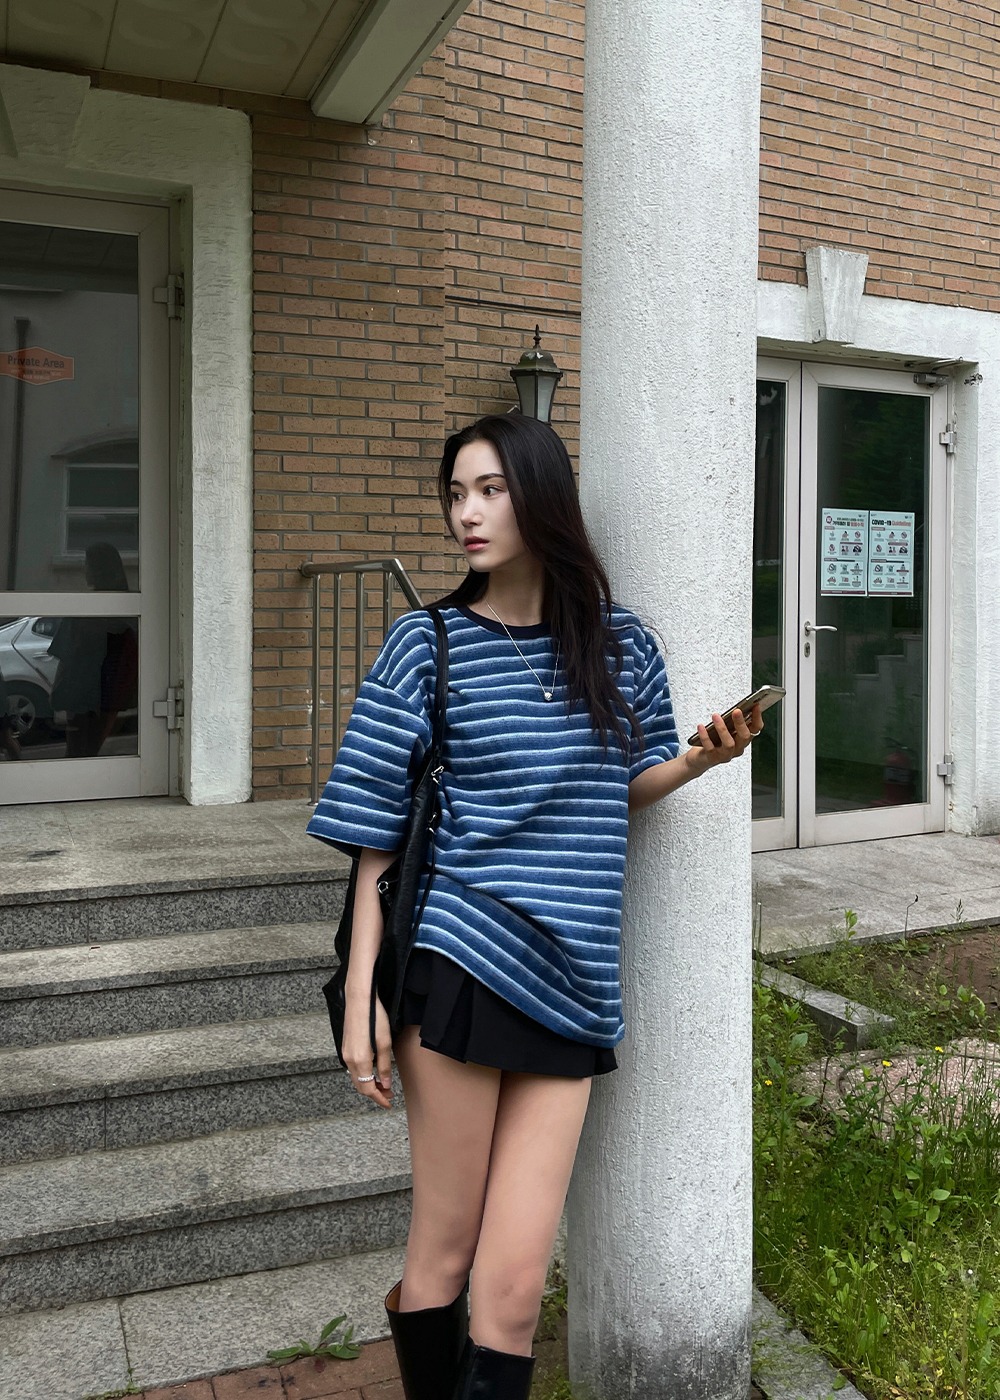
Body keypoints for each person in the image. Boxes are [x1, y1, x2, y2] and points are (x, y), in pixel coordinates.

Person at [306, 413, 761, 1400]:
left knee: (512, 1293)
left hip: (575, 978)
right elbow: (376, 833)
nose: (465, 514)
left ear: (541, 495)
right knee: (445, 1250)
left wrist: (699, 758)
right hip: (463, 961)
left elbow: (622, 782)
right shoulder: (426, 643)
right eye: (455, 493)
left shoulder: (621, 644)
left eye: (490, 490)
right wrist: (360, 998)